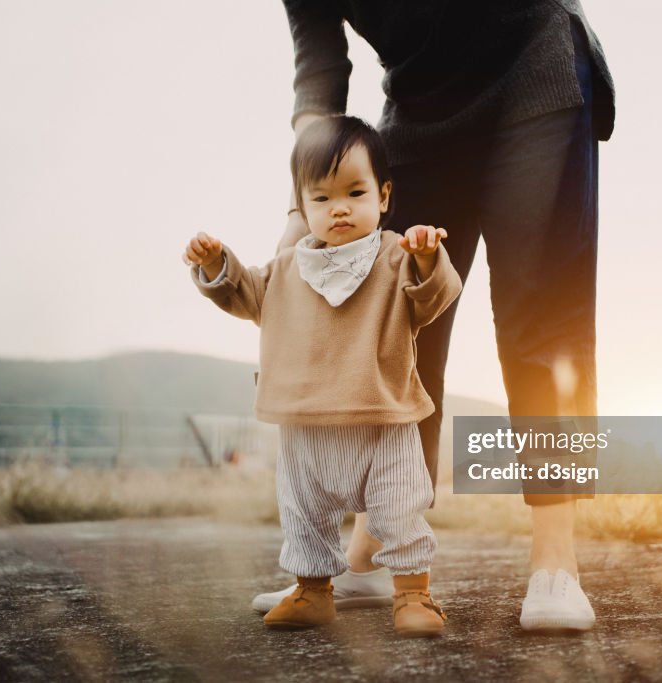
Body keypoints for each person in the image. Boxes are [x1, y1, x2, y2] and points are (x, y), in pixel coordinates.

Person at [255, 0, 615, 631]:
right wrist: (295, 216)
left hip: (535, 67)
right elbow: (319, 77)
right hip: (420, 107)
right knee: (394, 319)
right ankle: (371, 552)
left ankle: (556, 558)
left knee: (543, 316)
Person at [185, 116, 462, 636]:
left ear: (382, 196)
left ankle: (413, 595)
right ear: (303, 205)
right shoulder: (288, 269)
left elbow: (435, 298)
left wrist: (427, 259)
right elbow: (242, 292)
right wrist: (217, 264)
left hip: (383, 417)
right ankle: (312, 591)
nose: (339, 207)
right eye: (322, 197)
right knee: (303, 512)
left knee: (401, 509)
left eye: (355, 192)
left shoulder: (394, 255)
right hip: (306, 423)